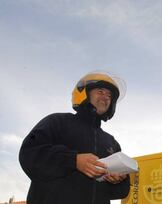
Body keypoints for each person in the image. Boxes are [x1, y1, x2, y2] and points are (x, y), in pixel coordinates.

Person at [19, 72, 130, 204]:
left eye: (109, 95)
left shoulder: (111, 142)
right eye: (100, 91)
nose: (106, 97)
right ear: (83, 93)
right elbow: (29, 154)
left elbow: (118, 193)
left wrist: (118, 179)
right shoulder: (57, 122)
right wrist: (73, 160)